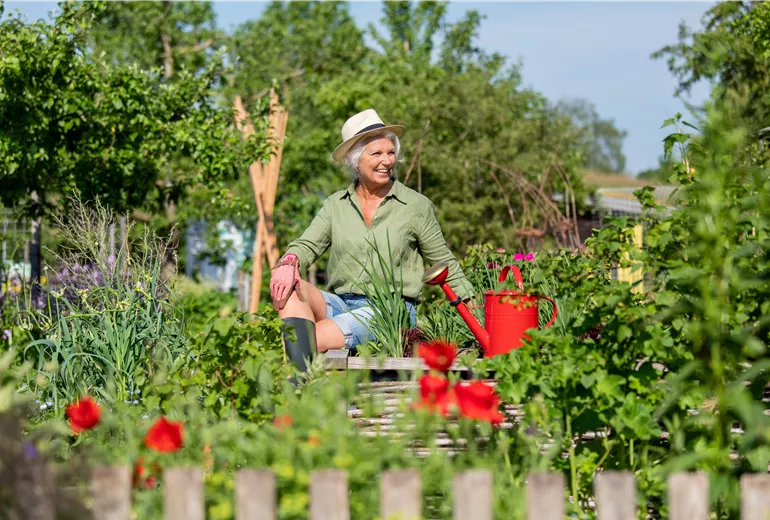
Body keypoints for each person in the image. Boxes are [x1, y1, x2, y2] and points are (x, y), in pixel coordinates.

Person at [270, 109, 474, 370]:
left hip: (390, 311)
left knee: (308, 338)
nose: (387, 161)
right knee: (287, 285)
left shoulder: (415, 206)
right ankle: (301, 384)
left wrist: (476, 312)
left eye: (391, 152)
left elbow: (445, 263)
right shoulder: (336, 205)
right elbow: (306, 245)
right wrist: (289, 262)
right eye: (376, 153)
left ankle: (296, 387)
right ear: (355, 160)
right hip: (341, 304)